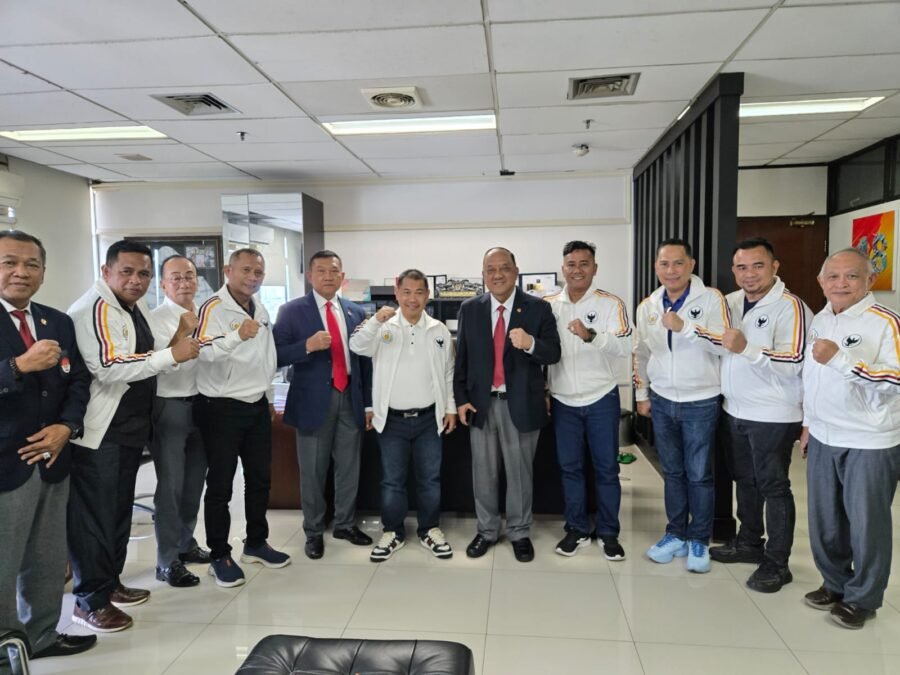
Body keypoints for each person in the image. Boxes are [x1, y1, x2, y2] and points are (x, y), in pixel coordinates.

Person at [67, 240, 200, 632]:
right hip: (100, 432)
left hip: (129, 428)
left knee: (117, 513)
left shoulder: (130, 307)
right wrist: (172, 354)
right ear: (106, 271)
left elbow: (150, 354)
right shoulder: (95, 308)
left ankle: (110, 584)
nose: (136, 280)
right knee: (95, 520)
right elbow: (109, 367)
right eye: (126, 272)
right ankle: (89, 601)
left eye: (143, 273)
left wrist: (175, 342)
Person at [0, 230, 95, 660]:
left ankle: (41, 635)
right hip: (7, 461)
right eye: (9, 262)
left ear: (43, 272)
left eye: (31, 264)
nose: (21, 272)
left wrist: (67, 427)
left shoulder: (56, 321)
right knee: (4, 560)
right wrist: (18, 365)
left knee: (47, 556)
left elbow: (79, 380)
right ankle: (7, 647)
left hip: (54, 456)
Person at [800, 248, 900, 629]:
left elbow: (896, 380)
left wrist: (842, 360)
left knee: (867, 524)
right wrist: (808, 424)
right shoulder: (822, 318)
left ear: (869, 280)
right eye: (833, 276)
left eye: (851, 276)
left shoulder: (886, 322)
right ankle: (835, 584)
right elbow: (812, 378)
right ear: (821, 281)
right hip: (824, 433)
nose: (841, 283)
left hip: (869, 439)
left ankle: (864, 599)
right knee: (825, 520)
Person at [711, 238, 812, 593]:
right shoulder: (729, 302)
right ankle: (749, 542)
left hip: (773, 414)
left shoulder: (791, 307)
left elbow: (795, 361)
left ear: (774, 266)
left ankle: (777, 563)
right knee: (745, 481)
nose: (749, 274)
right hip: (734, 409)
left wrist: (747, 349)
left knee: (774, 487)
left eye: (758, 266)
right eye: (741, 267)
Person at [454, 247, 561, 563]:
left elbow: (554, 353)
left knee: (520, 474)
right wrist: (461, 399)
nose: (497, 274)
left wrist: (530, 343)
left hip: (522, 404)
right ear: (483, 275)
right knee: (483, 474)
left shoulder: (538, 308)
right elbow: (462, 359)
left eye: (504, 268)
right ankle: (486, 530)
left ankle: (519, 532)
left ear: (516, 271)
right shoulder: (470, 309)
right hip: (481, 404)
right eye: (490, 269)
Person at [633, 238, 730, 574]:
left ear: (691, 265)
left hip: (700, 400)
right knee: (672, 472)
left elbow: (725, 344)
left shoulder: (712, 298)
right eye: (664, 264)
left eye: (678, 263)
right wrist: (642, 394)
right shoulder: (648, 305)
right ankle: (675, 533)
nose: (671, 270)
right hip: (662, 400)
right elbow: (641, 353)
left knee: (699, 475)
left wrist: (686, 327)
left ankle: (699, 538)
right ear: (656, 267)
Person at [194, 248, 290, 588]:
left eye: (258, 272)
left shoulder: (258, 307)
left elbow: (267, 355)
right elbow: (202, 352)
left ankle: (256, 542)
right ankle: (219, 554)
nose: (253, 278)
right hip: (221, 406)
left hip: (256, 404)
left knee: (260, 479)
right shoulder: (212, 307)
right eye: (246, 270)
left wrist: (268, 397)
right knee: (220, 485)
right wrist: (237, 335)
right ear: (228, 271)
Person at [349, 269, 457, 562]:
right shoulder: (383, 326)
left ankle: (429, 530)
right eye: (406, 292)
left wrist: (449, 407)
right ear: (396, 294)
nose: (412, 299)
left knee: (430, 480)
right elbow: (356, 346)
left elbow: (448, 371)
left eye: (419, 292)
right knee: (392, 481)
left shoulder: (438, 330)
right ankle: (392, 531)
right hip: (392, 420)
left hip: (428, 419)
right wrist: (375, 320)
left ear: (427, 295)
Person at [273, 250, 373, 560]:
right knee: (313, 471)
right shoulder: (291, 311)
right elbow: (275, 355)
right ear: (310, 276)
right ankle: (313, 530)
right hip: (313, 401)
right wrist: (306, 346)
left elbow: (364, 362)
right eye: (321, 271)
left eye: (334, 271)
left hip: (350, 397)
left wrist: (368, 404)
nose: (328, 276)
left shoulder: (356, 311)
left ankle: (344, 523)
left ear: (342, 276)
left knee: (349, 467)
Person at [545, 241, 631, 560]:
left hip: (601, 398)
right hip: (563, 400)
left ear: (595, 268)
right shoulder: (549, 305)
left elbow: (625, 346)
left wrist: (591, 336)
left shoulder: (611, 303)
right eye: (571, 264)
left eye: (584, 263)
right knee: (570, 469)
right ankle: (577, 528)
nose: (577, 270)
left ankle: (609, 533)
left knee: (606, 469)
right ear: (563, 269)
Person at [150, 255, 211, 588]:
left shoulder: (205, 314)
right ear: (163, 283)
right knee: (171, 488)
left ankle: (186, 544)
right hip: (169, 406)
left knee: (193, 484)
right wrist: (180, 333)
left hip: (202, 405)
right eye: (176, 277)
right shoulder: (155, 319)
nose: (184, 282)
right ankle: (166, 560)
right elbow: (154, 365)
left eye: (189, 276)